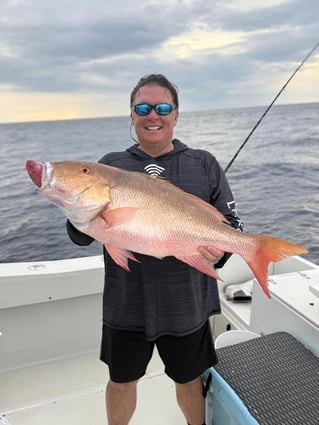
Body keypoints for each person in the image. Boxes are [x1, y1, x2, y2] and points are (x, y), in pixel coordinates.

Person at [66, 74, 242, 425]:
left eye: (162, 107)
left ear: (176, 115)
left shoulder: (203, 163)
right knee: (120, 380)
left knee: (189, 379)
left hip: (186, 303)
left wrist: (219, 253)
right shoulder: (109, 165)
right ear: (131, 115)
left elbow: (231, 224)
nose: (153, 115)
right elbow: (81, 236)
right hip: (126, 303)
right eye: (142, 108)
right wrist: (81, 211)